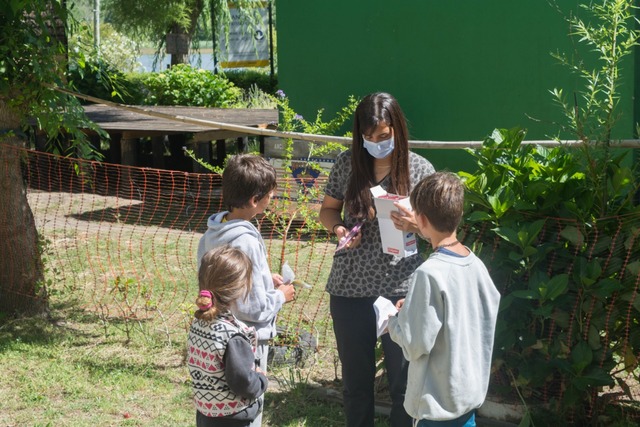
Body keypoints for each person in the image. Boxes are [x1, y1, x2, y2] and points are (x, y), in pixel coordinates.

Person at [319, 92, 435, 427]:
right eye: (368, 138)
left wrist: (416, 224)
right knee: (356, 387)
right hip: (350, 290)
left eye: (383, 136)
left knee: (403, 385)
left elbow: (436, 230)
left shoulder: (419, 169)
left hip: (402, 292)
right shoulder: (347, 163)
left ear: (397, 129)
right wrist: (340, 230)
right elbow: (327, 210)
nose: (376, 144)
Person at [387, 172, 501, 427]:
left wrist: (394, 320)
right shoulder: (477, 264)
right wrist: (415, 306)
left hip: (436, 406)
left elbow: (415, 343)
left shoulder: (428, 273)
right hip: (466, 400)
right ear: (458, 215)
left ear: (421, 220)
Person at [197, 154, 295, 427]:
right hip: (245, 342)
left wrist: (265, 278)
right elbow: (251, 308)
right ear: (255, 200)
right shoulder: (246, 241)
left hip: (216, 336)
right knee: (246, 409)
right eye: (270, 196)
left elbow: (224, 280)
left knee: (221, 405)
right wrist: (280, 295)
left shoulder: (211, 234)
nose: (271, 199)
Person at [187, 244, 268, 427]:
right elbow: (242, 382)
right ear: (240, 288)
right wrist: (261, 380)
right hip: (231, 418)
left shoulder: (200, 322)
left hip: (206, 413)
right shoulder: (233, 336)